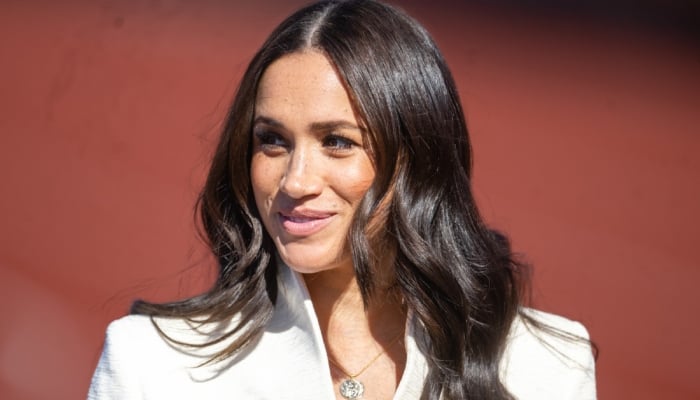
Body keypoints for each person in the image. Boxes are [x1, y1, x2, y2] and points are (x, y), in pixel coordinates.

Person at [87, 1, 596, 399]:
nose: (295, 181)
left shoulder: (544, 366)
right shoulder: (149, 363)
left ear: (418, 157)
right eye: (273, 141)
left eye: (337, 142)